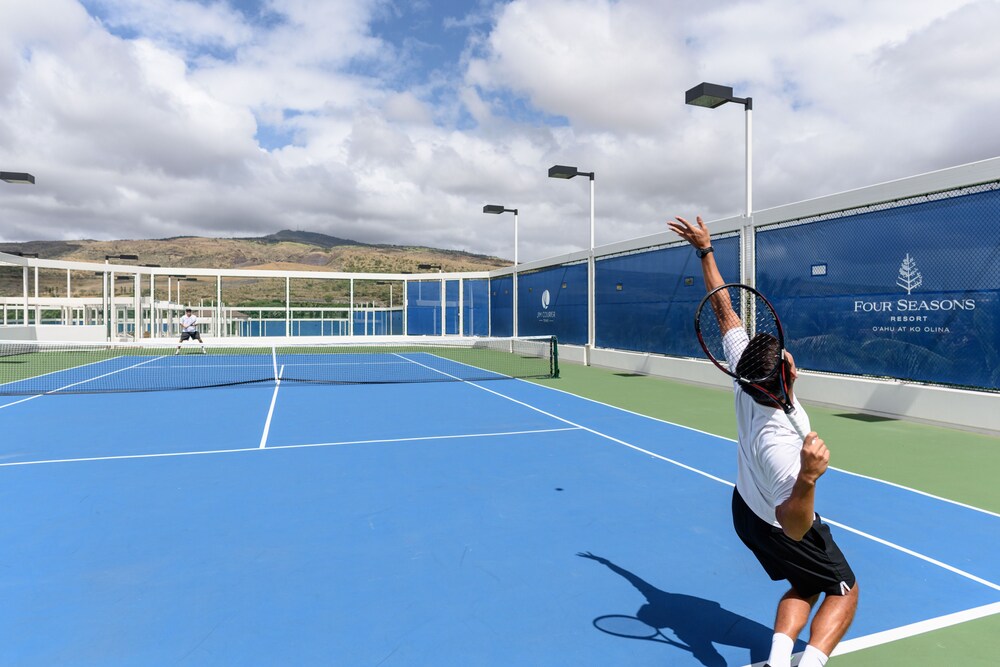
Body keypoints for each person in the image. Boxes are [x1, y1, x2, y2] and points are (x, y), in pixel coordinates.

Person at [668, 215, 857, 667]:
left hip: (744, 509)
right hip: (777, 518)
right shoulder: (781, 446)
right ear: (788, 372)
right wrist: (809, 477)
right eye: (787, 355)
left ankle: (776, 661)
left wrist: (705, 251)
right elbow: (794, 527)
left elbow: (723, 310)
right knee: (843, 590)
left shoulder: (745, 371)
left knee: (806, 583)